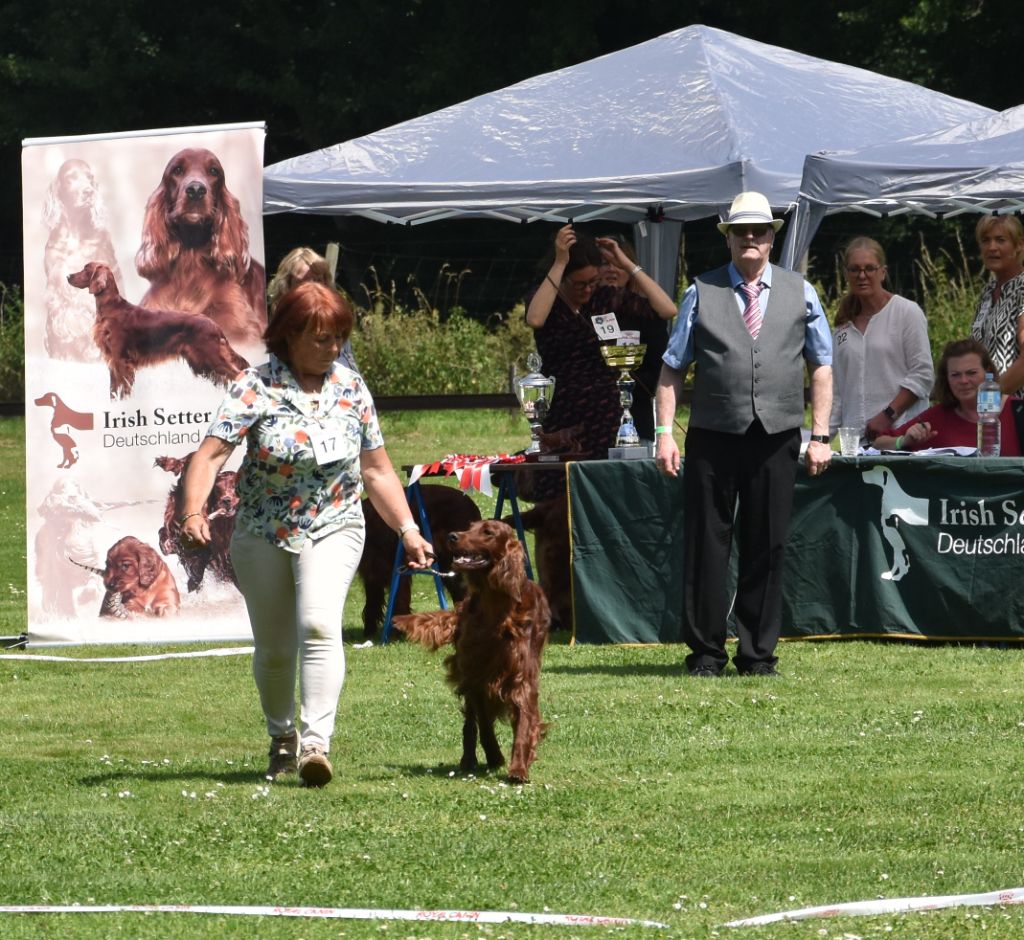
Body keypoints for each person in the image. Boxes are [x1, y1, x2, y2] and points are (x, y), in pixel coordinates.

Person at [179, 281, 432, 788]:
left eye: (338, 336)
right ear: (289, 336)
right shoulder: (254, 386)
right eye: (320, 337)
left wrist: (407, 529)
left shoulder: (351, 388)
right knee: (275, 647)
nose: (332, 347)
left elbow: (378, 471)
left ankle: (317, 744)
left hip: (334, 523)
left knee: (318, 625)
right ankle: (282, 736)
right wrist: (191, 513)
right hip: (261, 528)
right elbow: (208, 456)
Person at [654, 191, 833, 678]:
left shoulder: (803, 292)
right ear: (728, 238)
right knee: (706, 545)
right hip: (713, 435)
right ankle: (705, 654)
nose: (750, 238)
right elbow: (671, 370)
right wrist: (664, 434)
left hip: (777, 436)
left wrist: (820, 434)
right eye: (740, 231)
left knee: (767, 544)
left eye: (759, 231)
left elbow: (821, 366)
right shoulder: (700, 292)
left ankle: (757, 655)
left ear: (772, 238)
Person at [524, 224, 676, 460]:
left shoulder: (605, 297)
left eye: (593, 282)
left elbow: (667, 309)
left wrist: (627, 263)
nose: (587, 290)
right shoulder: (546, 297)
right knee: (559, 488)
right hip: (562, 409)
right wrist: (560, 261)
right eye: (579, 284)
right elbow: (534, 319)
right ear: (563, 278)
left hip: (605, 412)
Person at [830, 237, 933, 442]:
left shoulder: (906, 312)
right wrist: (820, 440)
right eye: (855, 269)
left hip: (902, 437)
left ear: (882, 272)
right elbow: (837, 393)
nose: (862, 275)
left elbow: (922, 375)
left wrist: (887, 415)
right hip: (855, 445)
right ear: (846, 274)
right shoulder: (843, 326)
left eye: (869, 268)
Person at [874, 338, 1022, 454]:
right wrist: (904, 441)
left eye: (971, 373)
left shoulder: (1018, 411)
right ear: (946, 378)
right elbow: (878, 443)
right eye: (955, 375)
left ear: (987, 372)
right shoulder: (938, 417)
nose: (964, 381)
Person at [598, 234, 675, 442]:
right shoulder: (584, 311)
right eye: (604, 264)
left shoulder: (642, 311)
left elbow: (669, 309)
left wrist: (629, 388)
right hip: (592, 420)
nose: (612, 269)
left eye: (618, 264)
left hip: (637, 420)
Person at [268, 246, 360, 373]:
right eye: (303, 283)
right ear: (286, 287)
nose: (312, 289)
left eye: (317, 281)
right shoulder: (275, 327)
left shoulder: (336, 325)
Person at [970, 216, 1024, 394]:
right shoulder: (988, 291)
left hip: (1015, 409)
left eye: (1001, 240)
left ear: (1019, 245)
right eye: (986, 240)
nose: (992, 247)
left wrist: (989, 397)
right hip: (987, 410)